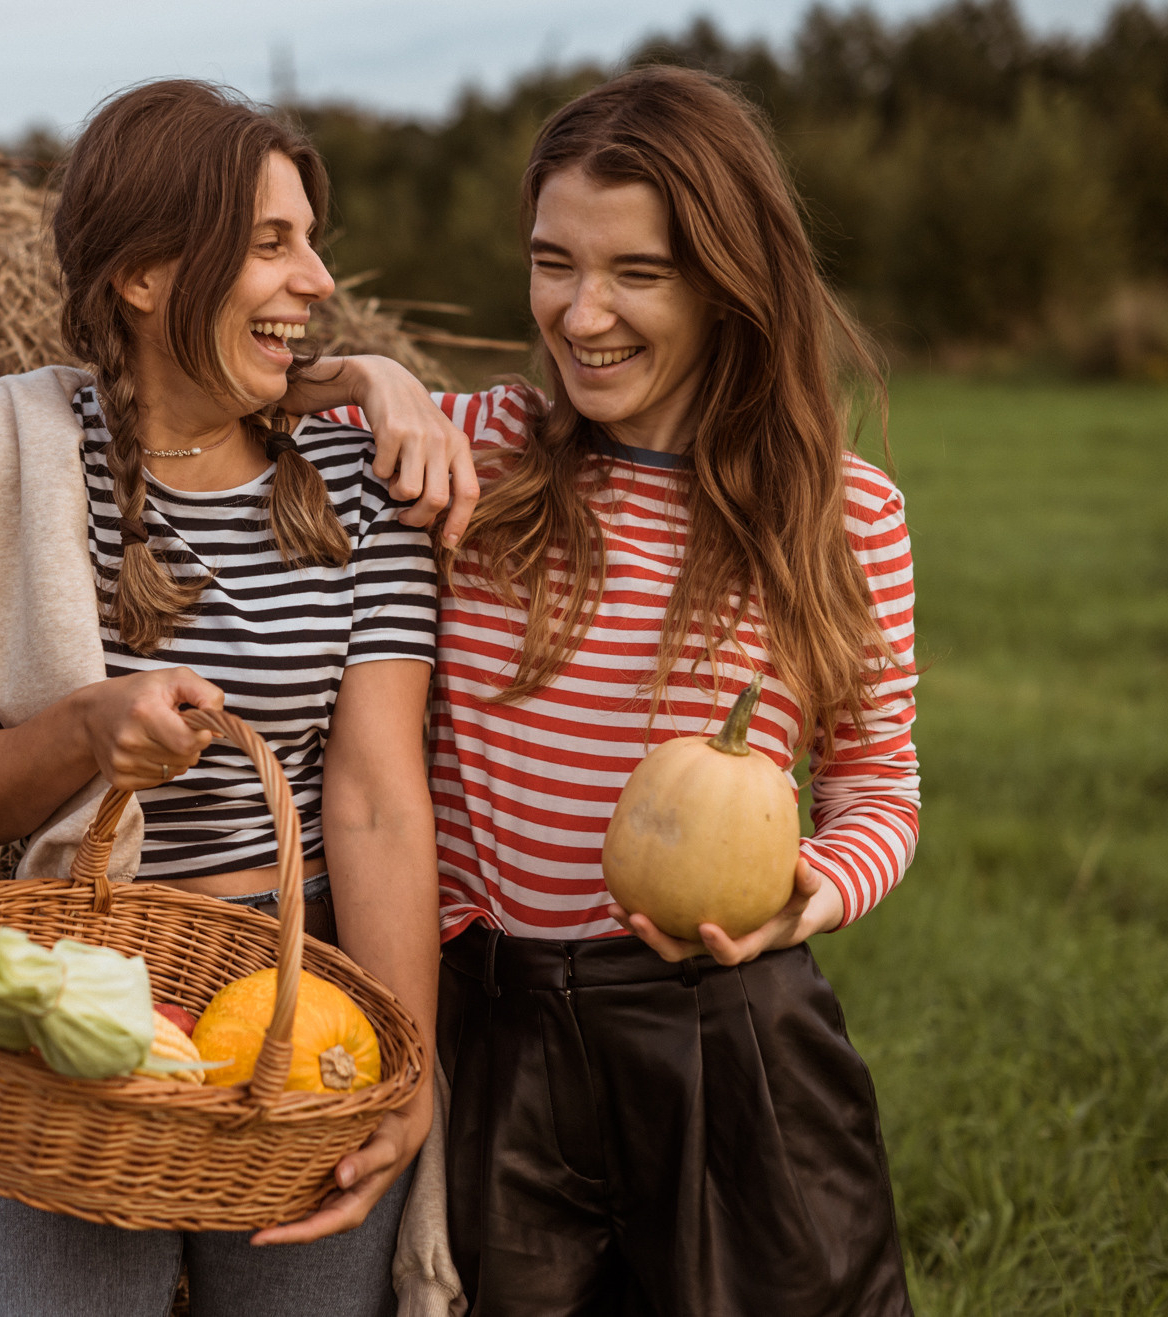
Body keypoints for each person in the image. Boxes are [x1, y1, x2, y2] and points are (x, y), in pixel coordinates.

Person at [296, 64, 920, 1316]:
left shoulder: (845, 514)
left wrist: (811, 892)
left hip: (729, 1033)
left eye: (638, 273)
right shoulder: (469, 454)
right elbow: (241, 392)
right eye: (552, 263)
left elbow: (878, 782)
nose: (583, 315)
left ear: (732, 279)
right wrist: (371, 377)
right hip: (499, 1025)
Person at [0, 81, 466, 1317]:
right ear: (144, 275)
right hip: (73, 1008)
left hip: (299, 997)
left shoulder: (362, 484)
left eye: (312, 239)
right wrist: (86, 729)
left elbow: (375, 801)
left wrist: (406, 1070)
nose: (316, 279)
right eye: (270, 243)